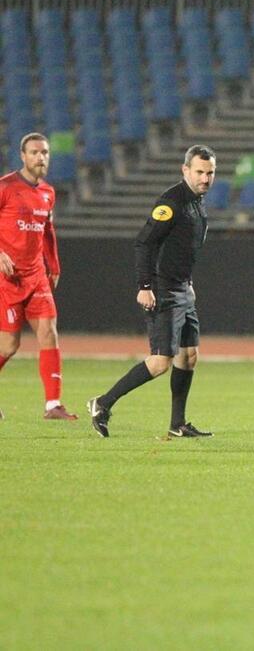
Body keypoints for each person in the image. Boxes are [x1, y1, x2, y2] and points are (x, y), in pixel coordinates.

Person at [86, 145, 216, 438]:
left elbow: (182, 249)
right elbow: (145, 243)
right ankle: (102, 404)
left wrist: (189, 282)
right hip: (162, 288)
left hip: (182, 288)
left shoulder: (198, 202)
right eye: (199, 172)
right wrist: (144, 286)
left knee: (189, 356)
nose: (205, 178)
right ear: (185, 171)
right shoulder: (172, 201)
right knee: (160, 362)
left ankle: (177, 424)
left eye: (210, 173)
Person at [0, 133, 77, 420]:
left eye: (44, 152)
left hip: (36, 276)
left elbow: (47, 230)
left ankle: (52, 405)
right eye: (34, 152)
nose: (40, 157)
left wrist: (53, 265)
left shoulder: (48, 192)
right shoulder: (5, 187)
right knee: (9, 345)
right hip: (7, 279)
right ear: (22, 156)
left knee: (49, 333)